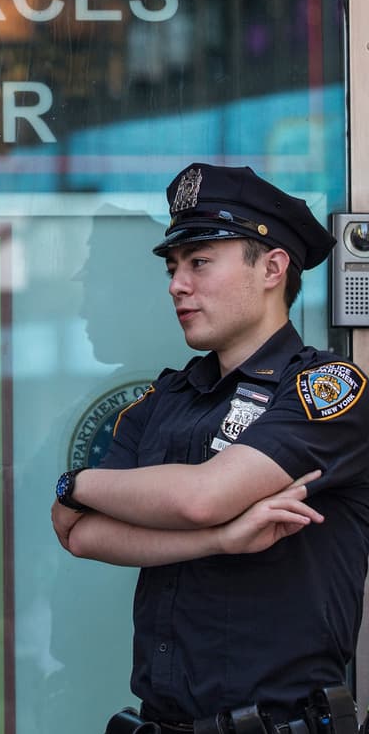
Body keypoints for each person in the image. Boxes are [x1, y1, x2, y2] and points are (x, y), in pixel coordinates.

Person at [51, 163, 368, 734]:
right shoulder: (165, 397)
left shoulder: (326, 388)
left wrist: (80, 485)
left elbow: (202, 497)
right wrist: (219, 538)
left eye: (199, 262)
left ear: (272, 268)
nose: (177, 284)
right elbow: (79, 533)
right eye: (173, 267)